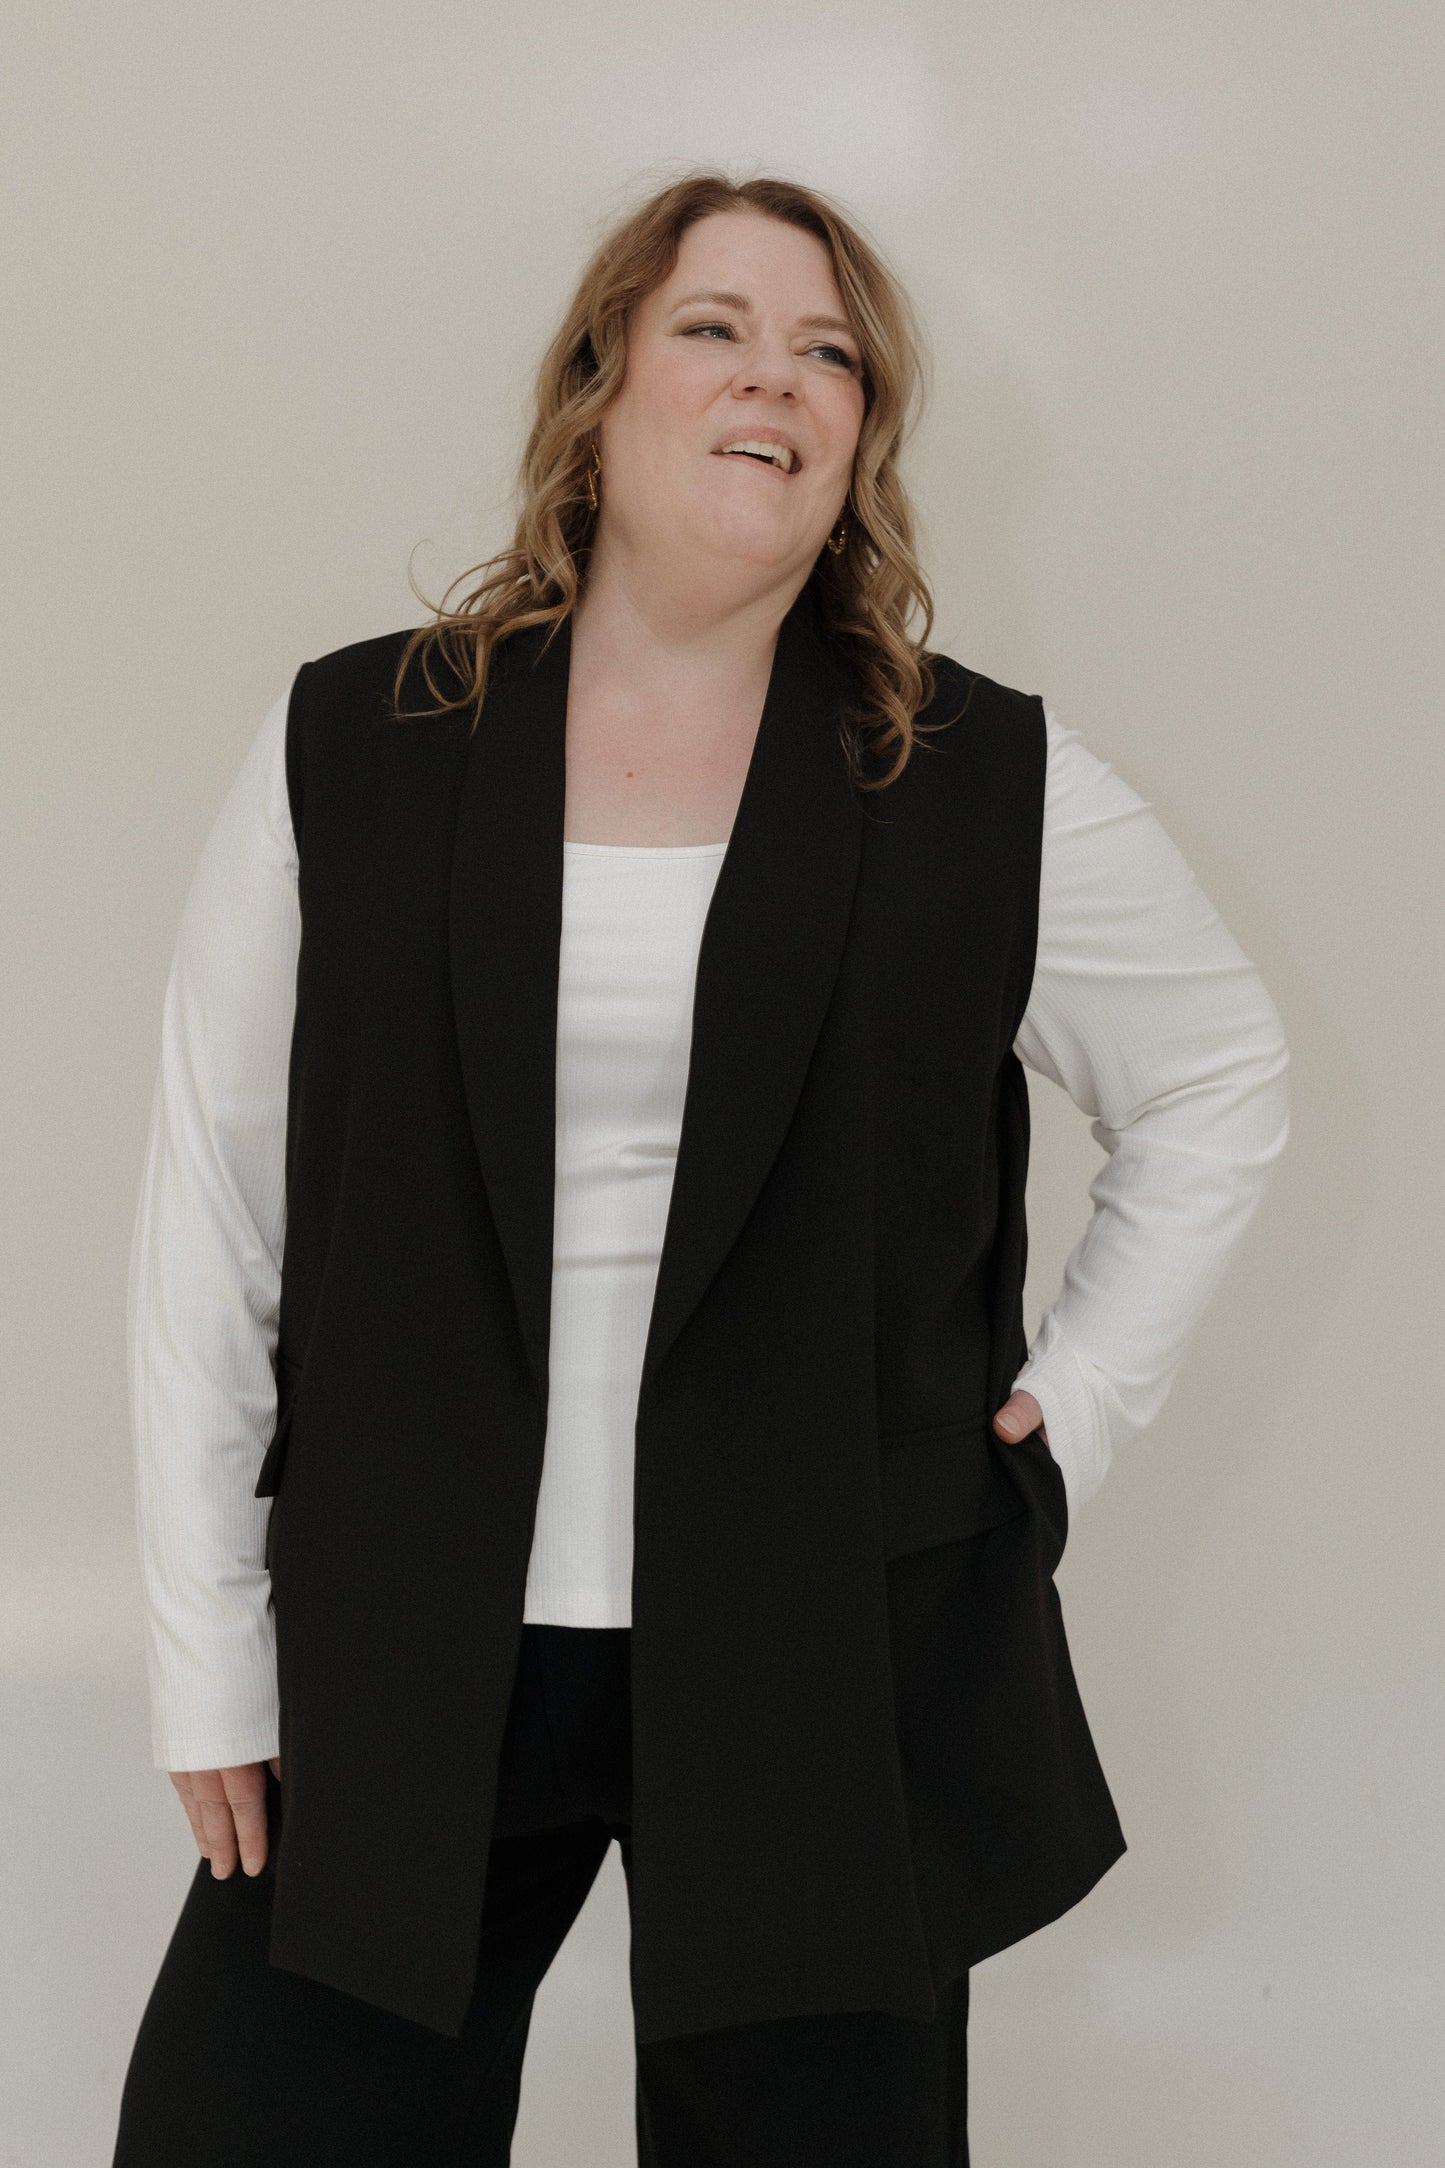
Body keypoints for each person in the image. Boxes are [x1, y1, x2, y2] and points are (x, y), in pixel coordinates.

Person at [113, 171, 1290, 2165]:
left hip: (829, 1643)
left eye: (831, 352)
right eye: (720, 326)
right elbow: (213, 1213)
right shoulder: (360, 747)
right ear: (600, 389)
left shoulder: (981, 783)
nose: (782, 377)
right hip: (410, 1639)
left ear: (863, 439)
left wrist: (1064, 1410)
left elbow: (1224, 1080)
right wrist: (210, 1650)